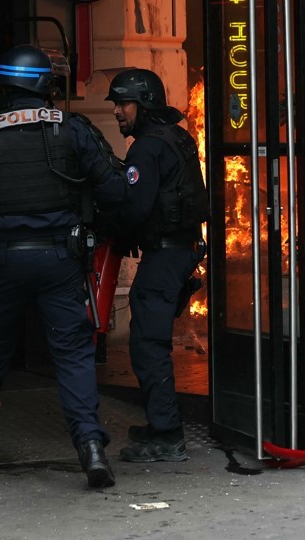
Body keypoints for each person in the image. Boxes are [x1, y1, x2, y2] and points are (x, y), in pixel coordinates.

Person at [0, 45, 127, 489]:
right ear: (46, 84)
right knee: (72, 355)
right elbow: (115, 188)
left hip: (4, 258)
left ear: (2, 85)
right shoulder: (74, 128)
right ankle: (91, 450)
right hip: (60, 259)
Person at [106, 68, 209, 463]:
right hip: (179, 250)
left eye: (123, 102)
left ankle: (166, 434)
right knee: (151, 337)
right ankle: (158, 421)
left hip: (165, 254)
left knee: (148, 342)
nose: (117, 111)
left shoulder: (146, 148)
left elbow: (135, 207)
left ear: (144, 104)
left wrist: (110, 228)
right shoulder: (177, 137)